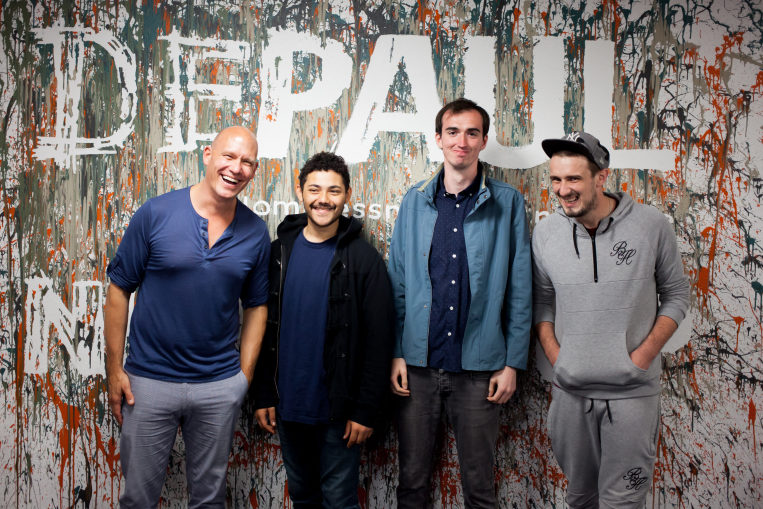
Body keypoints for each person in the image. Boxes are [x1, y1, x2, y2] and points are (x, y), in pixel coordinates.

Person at [104, 126, 269, 508]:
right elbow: (119, 290)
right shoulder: (156, 213)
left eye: (247, 162)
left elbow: (257, 306)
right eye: (229, 156)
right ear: (208, 155)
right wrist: (115, 371)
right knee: (138, 499)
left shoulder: (255, 232)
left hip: (217, 386)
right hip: (147, 382)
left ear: (254, 172)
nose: (236, 168)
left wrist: (240, 379)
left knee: (209, 500)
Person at [532, 131, 690, 508]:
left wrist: (642, 356)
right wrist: (559, 357)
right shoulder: (546, 233)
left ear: (601, 177)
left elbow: (677, 295)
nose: (562, 190)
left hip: (632, 394)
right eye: (556, 179)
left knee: (624, 500)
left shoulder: (651, 225)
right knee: (580, 498)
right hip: (571, 396)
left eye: (574, 179)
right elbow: (543, 301)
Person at [388, 98, 532, 508]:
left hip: (481, 369)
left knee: (480, 489)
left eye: (472, 133)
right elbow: (398, 282)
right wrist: (397, 353)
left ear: (484, 141)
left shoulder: (508, 202)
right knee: (411, 484)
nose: (462, 141)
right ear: (438, 138)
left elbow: (520, 288)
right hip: (418, 366)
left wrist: (512, 363)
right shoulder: (413, 200)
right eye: (453, 132)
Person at [252, 152, 394, 509]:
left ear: (346, 195)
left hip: (340, 410)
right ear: (300, 191)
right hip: (288, 406)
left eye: (334, 191)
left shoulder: (364, 259)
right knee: (302, 497)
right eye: (314, 189)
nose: (323, 199)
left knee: (338, 500)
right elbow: (260, 331)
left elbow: (379, 342)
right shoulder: (277, 253)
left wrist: (365, 411)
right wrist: (264, 395)